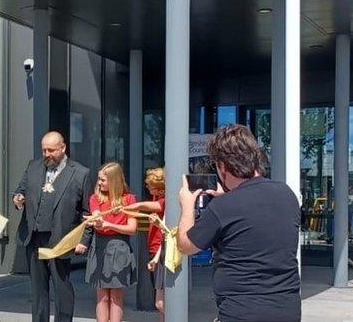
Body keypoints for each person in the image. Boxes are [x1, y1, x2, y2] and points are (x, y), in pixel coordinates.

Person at [177, 124, 301, 322]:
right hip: (287, 309)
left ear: (222, 166)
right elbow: (254, 219)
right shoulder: (286, 194)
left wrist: (186, 206)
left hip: (241, 311)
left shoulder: (223, 207)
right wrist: (228, 198)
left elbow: (185, 245)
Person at [13, 131, 94, 322]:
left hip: (60, 239)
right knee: (38, 288)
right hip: (34, 236)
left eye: (51, 150)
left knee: (61, 286)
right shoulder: (33, 167)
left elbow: (88, 212)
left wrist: (84, 240)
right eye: (44, 150)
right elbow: (19, 191)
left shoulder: (81, 173)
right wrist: (17, 199)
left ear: (63, 148)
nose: (47, 154)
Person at [83, 162, 137, 322]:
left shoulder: (129, 200)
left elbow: (132, 228)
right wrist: (97, 221)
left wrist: (110, 225)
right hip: (100, 246)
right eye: (99, 179)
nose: (99, 183)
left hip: (119, 248)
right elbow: (97, 214)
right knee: (101, 296)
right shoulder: (95, 198)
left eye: (103, 180)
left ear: (114, 181)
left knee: (116, 297)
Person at [123, 167, 166, 322]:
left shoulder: (164, 201)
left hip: (161, 251)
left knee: (161, 302)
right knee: (160, 297)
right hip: (154, 249)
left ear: (159, 187)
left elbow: (145, 206)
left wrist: (127, 207)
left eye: (150, 186)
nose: (147, 188)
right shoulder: (156, 198)